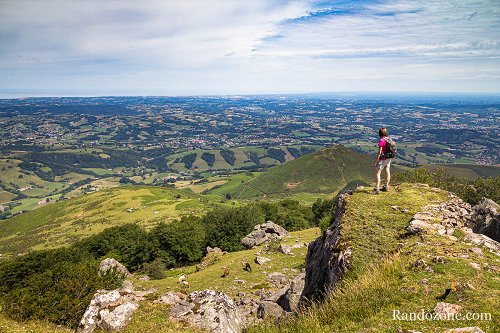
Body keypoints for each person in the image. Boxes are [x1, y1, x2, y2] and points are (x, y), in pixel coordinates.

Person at [373, 127, 392, 194]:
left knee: (378, 173)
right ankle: (386, 186)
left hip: (382, 159)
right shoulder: (388, 139)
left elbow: (379, 152)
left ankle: (376, 189)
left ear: (380, 133)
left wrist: (376, 160)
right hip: (389, 158)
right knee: (387, 171)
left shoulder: (382, 140)